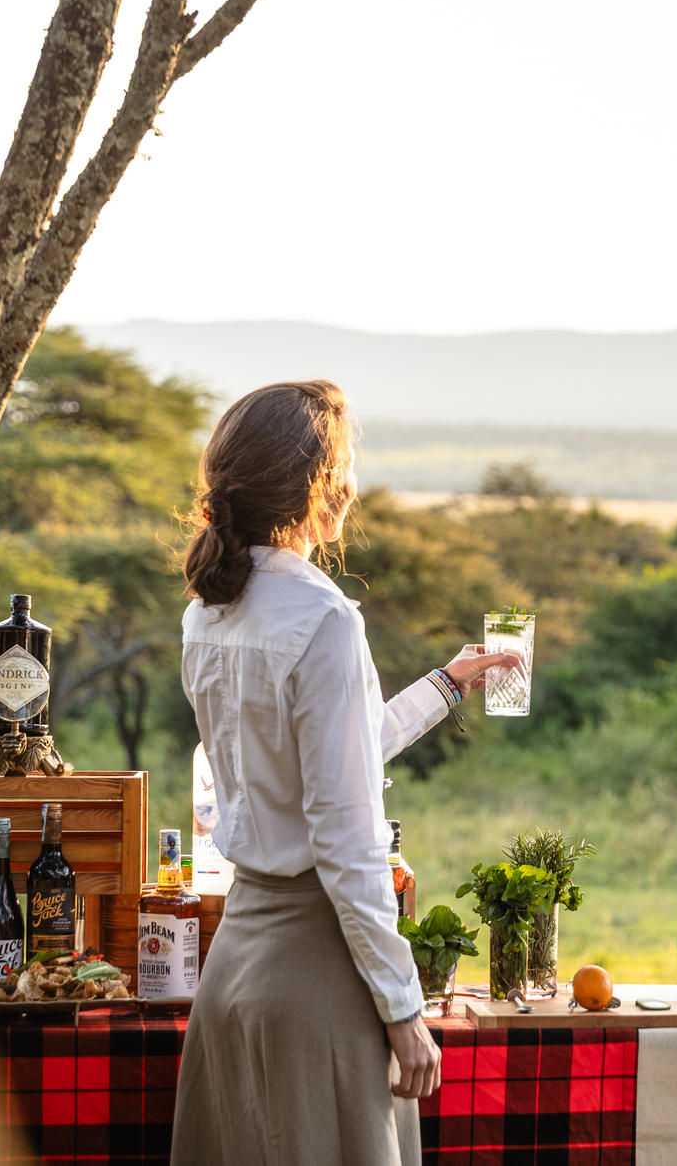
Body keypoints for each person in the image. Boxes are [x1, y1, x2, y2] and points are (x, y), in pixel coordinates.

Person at [170, 380, 517, 1166]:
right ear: (314, 484)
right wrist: (401, 1008)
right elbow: (347, 836)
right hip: (315, 974)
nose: (354, 484)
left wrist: (446, 682)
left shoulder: (209, 610)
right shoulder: (324, 617)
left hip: (233, 972)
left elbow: (326, 765)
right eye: (346, 464)